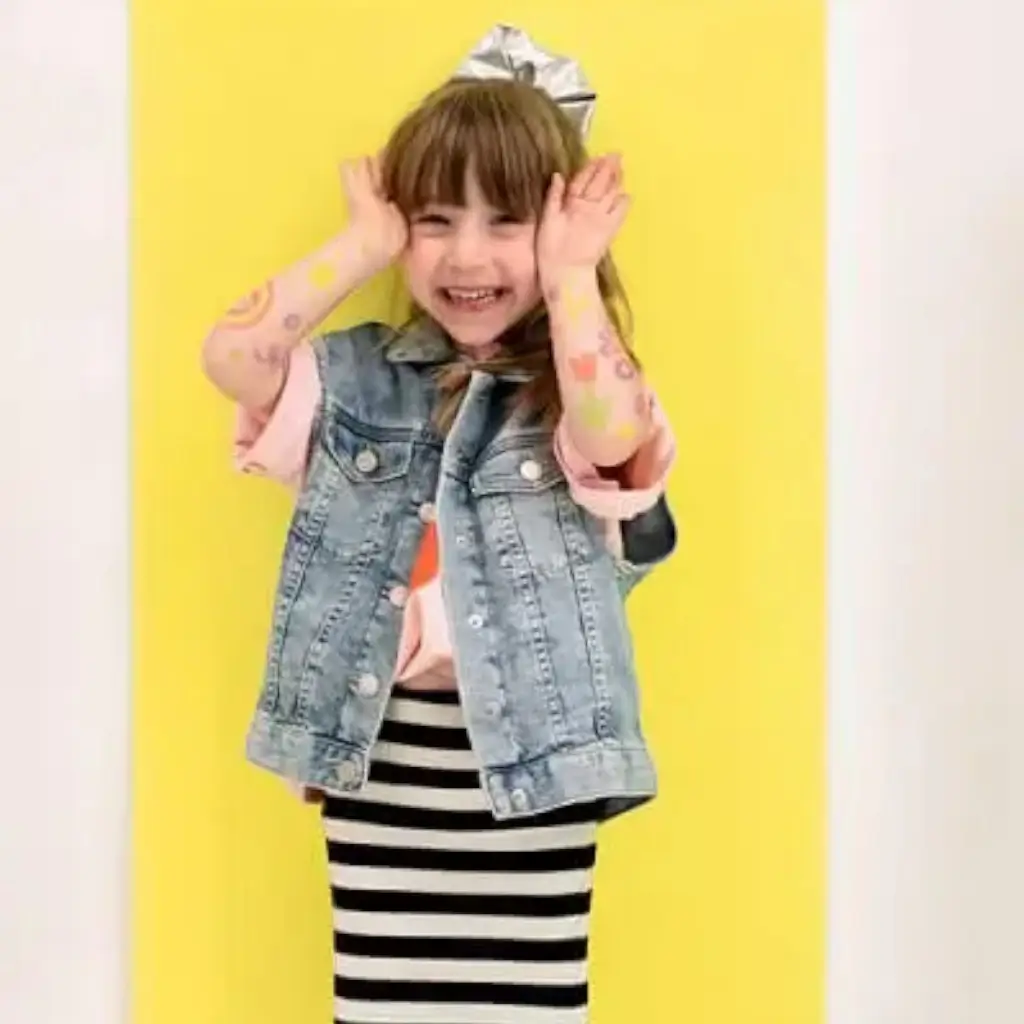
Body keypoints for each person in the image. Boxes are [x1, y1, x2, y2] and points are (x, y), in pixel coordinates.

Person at [201, 24, 677, 1024]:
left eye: (507, 221)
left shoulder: (576, 387)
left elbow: (610, 433)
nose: (467, 255)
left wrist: (573, 279)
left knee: (528, 1003)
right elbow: (233, 359)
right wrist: (360, 246)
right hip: (381, 749)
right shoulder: (355, 379)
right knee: (384, 1002)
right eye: (433, 219)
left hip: (539, 754)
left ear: (555, 230)